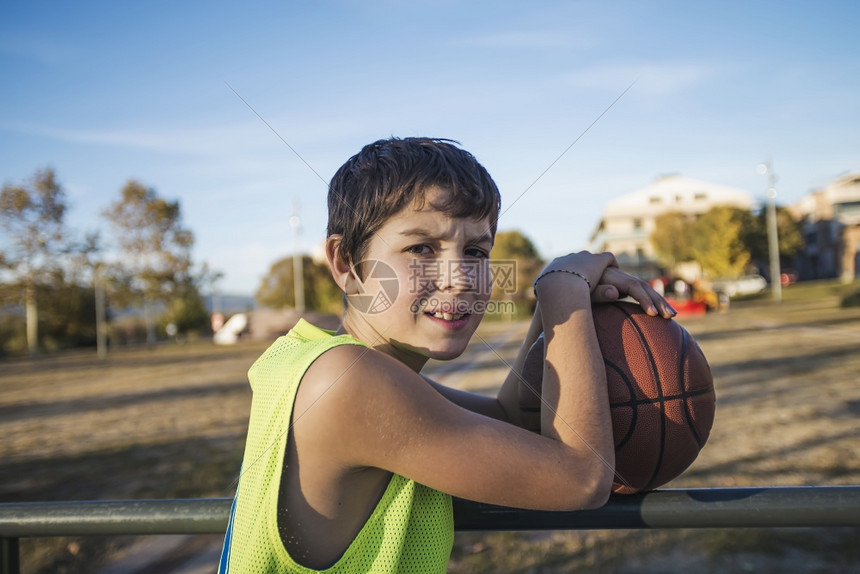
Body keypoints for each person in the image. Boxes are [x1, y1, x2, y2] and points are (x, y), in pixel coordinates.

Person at [219, 137, 675, 573]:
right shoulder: (348, 381)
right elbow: (582, 479)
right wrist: (565, 295)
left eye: (476, 251)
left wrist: (552, 301)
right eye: (421, 248)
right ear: (346, 264)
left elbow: (510, 416)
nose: (458, 277)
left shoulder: (328, 360)